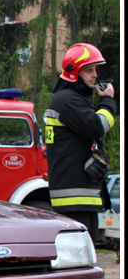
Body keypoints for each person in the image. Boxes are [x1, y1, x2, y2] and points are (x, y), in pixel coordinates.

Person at [43, 43, 117, 243]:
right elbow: (98, 126)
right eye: (89, 70)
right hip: (75, 197)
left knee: (85, 256)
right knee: (80, 258)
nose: (95, 75)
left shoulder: (70, 99)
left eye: (95, 70)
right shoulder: (67, 100)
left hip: (81, 196)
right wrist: (108, 101)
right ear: (74, 73)